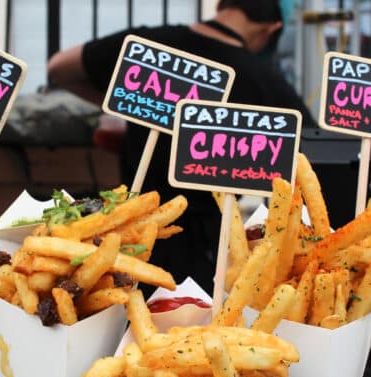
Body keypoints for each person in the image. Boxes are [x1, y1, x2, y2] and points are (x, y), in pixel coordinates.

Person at [47, 0, 316, 294]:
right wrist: (134, 106)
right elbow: (318, 151)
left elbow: (58, 67)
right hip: (205, 255)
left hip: (123, 241)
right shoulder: (266, 83)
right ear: (272, 27)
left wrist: (131, 107)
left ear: (221, 5)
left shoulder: (148, 46)